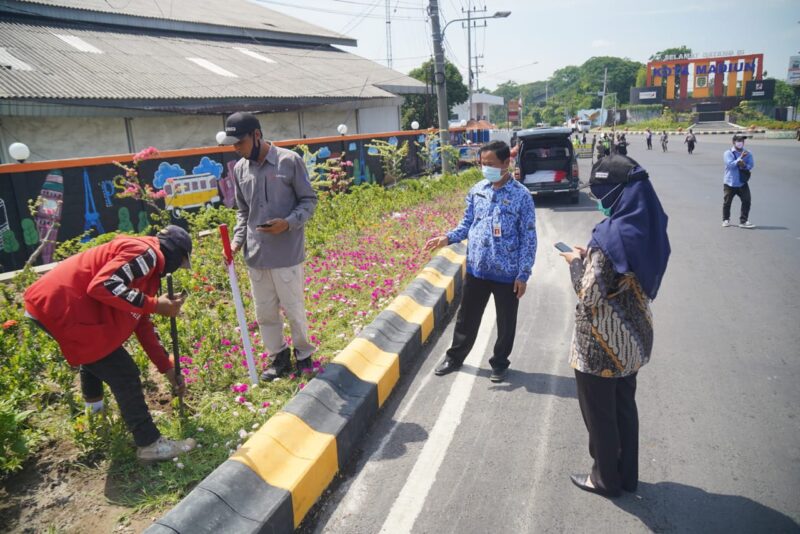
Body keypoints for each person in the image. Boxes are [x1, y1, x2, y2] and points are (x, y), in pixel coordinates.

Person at [23, 226, 196, 463]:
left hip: (59, 306)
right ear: (176, 255)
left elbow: (141, 322)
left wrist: (167, 367)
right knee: (124, 373)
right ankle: (149, 444)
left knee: (95, 355)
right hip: (60, 305)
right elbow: (103, 285)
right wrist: (155, 304)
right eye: (182, 263)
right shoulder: (148, 254)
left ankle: (95, 417)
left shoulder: (148, 273)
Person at [559, 154, 671, 498]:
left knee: (600, 416)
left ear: (615, 191)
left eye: (600, 191)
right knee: (624, 407)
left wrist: (576, 262)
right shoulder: (648, 222)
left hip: (601, 345)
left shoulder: (611, 236)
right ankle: (626, 476)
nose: (598, 199)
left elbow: (588, 293)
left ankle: (604, 479)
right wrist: (592, 256)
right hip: (634, 339)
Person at [424, 140, 537, 383]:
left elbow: (529, 237)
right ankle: (455, 357)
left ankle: (499, 363)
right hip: (477, 269)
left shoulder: (522, 196)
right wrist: (447, 238)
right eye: (482, 163)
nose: (486, 168)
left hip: (507, 273)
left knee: (506, 322)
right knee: (467, 318)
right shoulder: (477, 190)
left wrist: (523, 274)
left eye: (491, 164)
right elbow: (467, 224)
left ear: (506, 163)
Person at [220, 112, 319, 380]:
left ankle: (304, 356)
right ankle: (278, 358)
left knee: (294, 309)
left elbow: (309, 201)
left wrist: (287, 223)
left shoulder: (289, 161)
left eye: (239, 142)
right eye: (233, 144)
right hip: (256, 254)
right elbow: (243, 212)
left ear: (257, 135)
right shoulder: (239, 169)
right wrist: (238, 241)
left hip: (286, 253)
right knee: (264, 313)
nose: (236, 148)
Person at [722, 134, 755, 229]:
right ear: (734, 142)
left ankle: (743, 221)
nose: (740, 142)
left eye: (742, 141)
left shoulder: (748, 153)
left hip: (742, 182)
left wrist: (744, 165)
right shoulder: (728, 153)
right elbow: (730, 165)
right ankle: (725, 219)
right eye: (738, 141)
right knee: (727, 202)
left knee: (747, 200)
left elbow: (751, 165)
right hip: (730, 182)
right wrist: (740, 159)